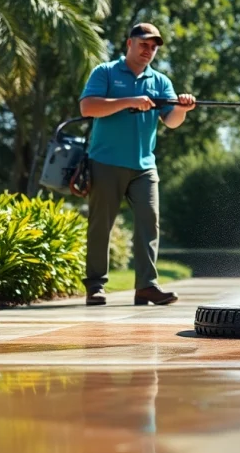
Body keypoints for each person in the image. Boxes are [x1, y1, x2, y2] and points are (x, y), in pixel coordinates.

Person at [78, 23, 196, 306]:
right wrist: (129, 101)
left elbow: (171, 121)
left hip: (145, 166)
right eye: (144, 44)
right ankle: (95, 286)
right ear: (129, 43)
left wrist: (182, 108)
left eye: (153, 47)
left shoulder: (161, 82)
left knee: (148, 223)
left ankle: (146, 286)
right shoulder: (106, 72)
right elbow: (88, 107)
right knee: (100, 226)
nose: (149, 50)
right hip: (105, 161)